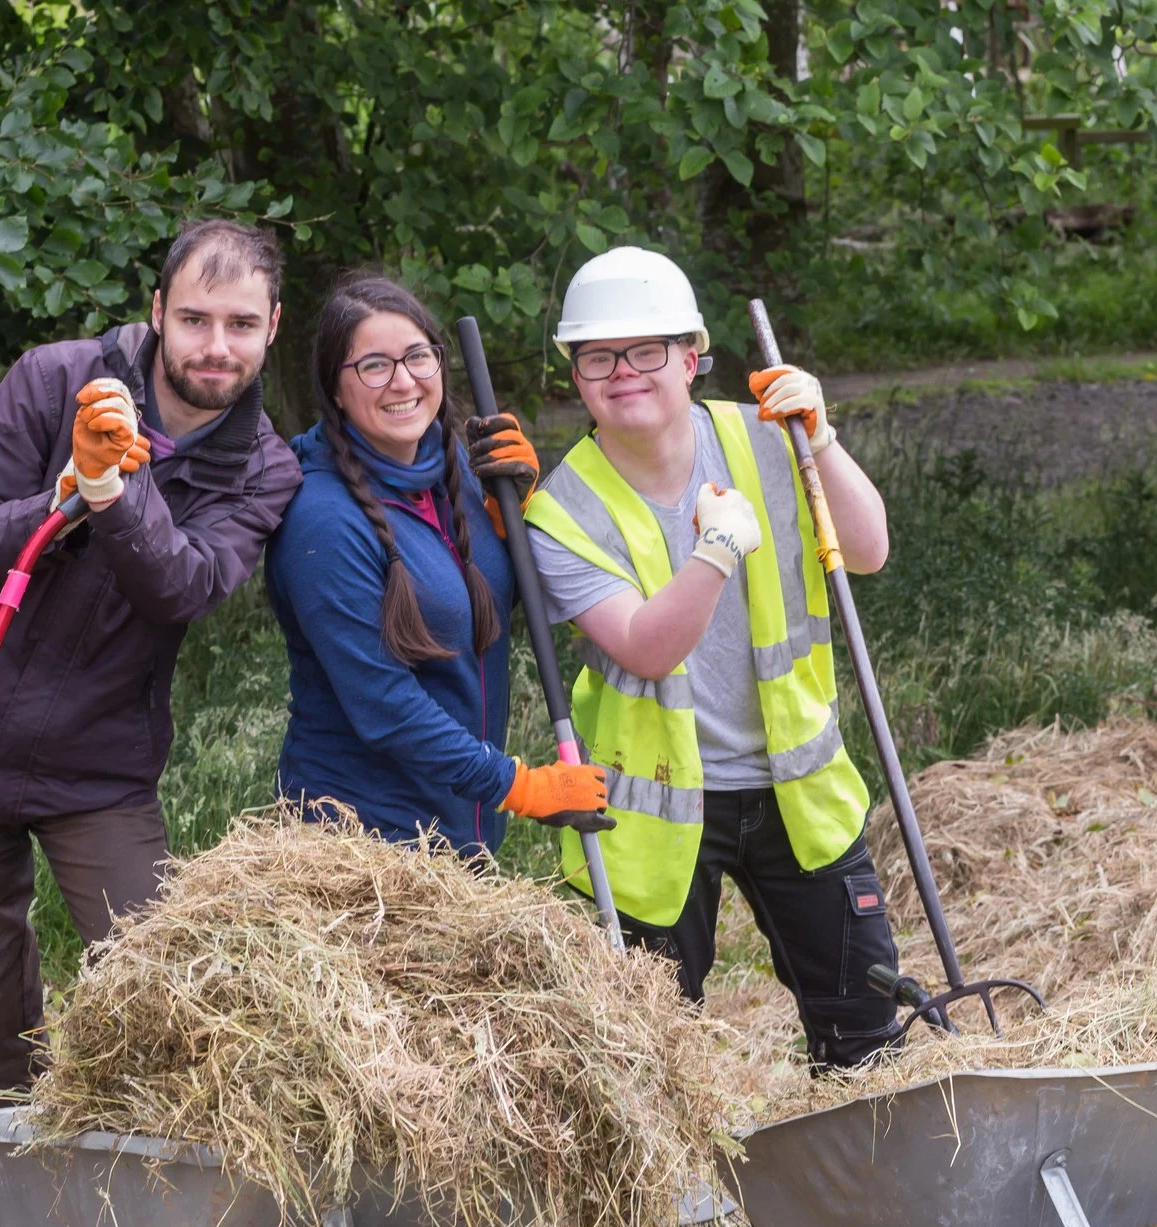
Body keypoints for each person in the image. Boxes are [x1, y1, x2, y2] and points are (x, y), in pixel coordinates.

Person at [0, 219, 303, 1227]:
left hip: (100, 768)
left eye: (240, 324)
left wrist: (119, 493)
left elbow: (186, 587)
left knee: (162, 994)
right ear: (156, 307)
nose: (215, 344)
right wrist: (64, 487)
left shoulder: (263, 465)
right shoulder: (54, 379)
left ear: (271, 329)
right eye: (195, 317)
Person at [522, 245, 905, 1068]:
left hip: (794, 787)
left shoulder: (764, 439)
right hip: (653, 810)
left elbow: (868, 549)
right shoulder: (561, 508)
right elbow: (648, 650)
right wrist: (717, 551)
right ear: (576, 375)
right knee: (645, 1060)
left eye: (648, 350)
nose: (624, 370)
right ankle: (678, 1201)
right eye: (598, 355)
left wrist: (822, 441)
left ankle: (860, 1187)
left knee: (866, 1032)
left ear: (691, 358)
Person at [265, 273, 608, 857]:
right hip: (360, 843)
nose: (403, 381)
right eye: (374, 366)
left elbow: (485, 609)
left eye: (418, 357)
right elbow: (383, 704)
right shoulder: (321, 519)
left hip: (454, 830)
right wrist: (518, 786)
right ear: (335, 387)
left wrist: (516, 521)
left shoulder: (461, 469)